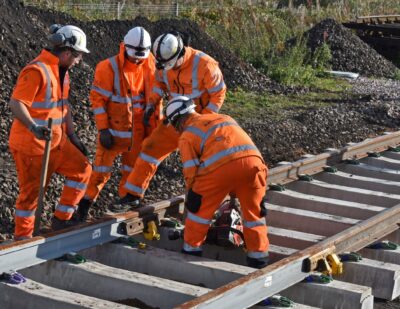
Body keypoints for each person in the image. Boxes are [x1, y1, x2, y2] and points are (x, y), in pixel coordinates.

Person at [115, 31, 227, 211]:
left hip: (199, 119)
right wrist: (152, 103)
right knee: (149, 149)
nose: (168, 69)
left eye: (170, 65)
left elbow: (218, 94)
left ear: (180, 54)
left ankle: (200, 198)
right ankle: (133, 195)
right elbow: (160, 84)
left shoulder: (205, 64)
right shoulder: (162, 62)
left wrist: (204, 120)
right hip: (175, 117)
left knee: (196, 162)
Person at [163, 96, 269, 268]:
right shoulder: (224, 118)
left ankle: (191, 251)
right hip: (255, 166)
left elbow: (191, 172)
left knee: (199, 214)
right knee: (255, 215)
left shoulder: (186, 135)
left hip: (219, 170)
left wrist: (192, 198)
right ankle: (258, 259)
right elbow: (238, 149)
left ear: (178, 121)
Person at [9, 24, 92, 240]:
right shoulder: (36, 70)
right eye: (78, 56)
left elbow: (63, 107)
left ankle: (61, 221)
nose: (79, 61)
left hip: (56, 142)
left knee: (82, 170)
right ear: (66, 53)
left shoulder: (61, 72)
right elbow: (17, 103)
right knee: (31, 197)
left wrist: (73, 136)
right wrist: (33, 127)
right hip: (32, 145)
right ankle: (23, 240)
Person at [75, 26, 157, 217]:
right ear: (124, 47)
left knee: (133, 170)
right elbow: (97, 100)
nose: (137, 59)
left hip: (138, 131)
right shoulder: (108, 67)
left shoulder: (150, 64)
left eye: (141, 56)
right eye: (134, 56)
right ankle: (83, 206)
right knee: (100, 171)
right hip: (113, 131)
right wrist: (103, 129)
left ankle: (125, 205)